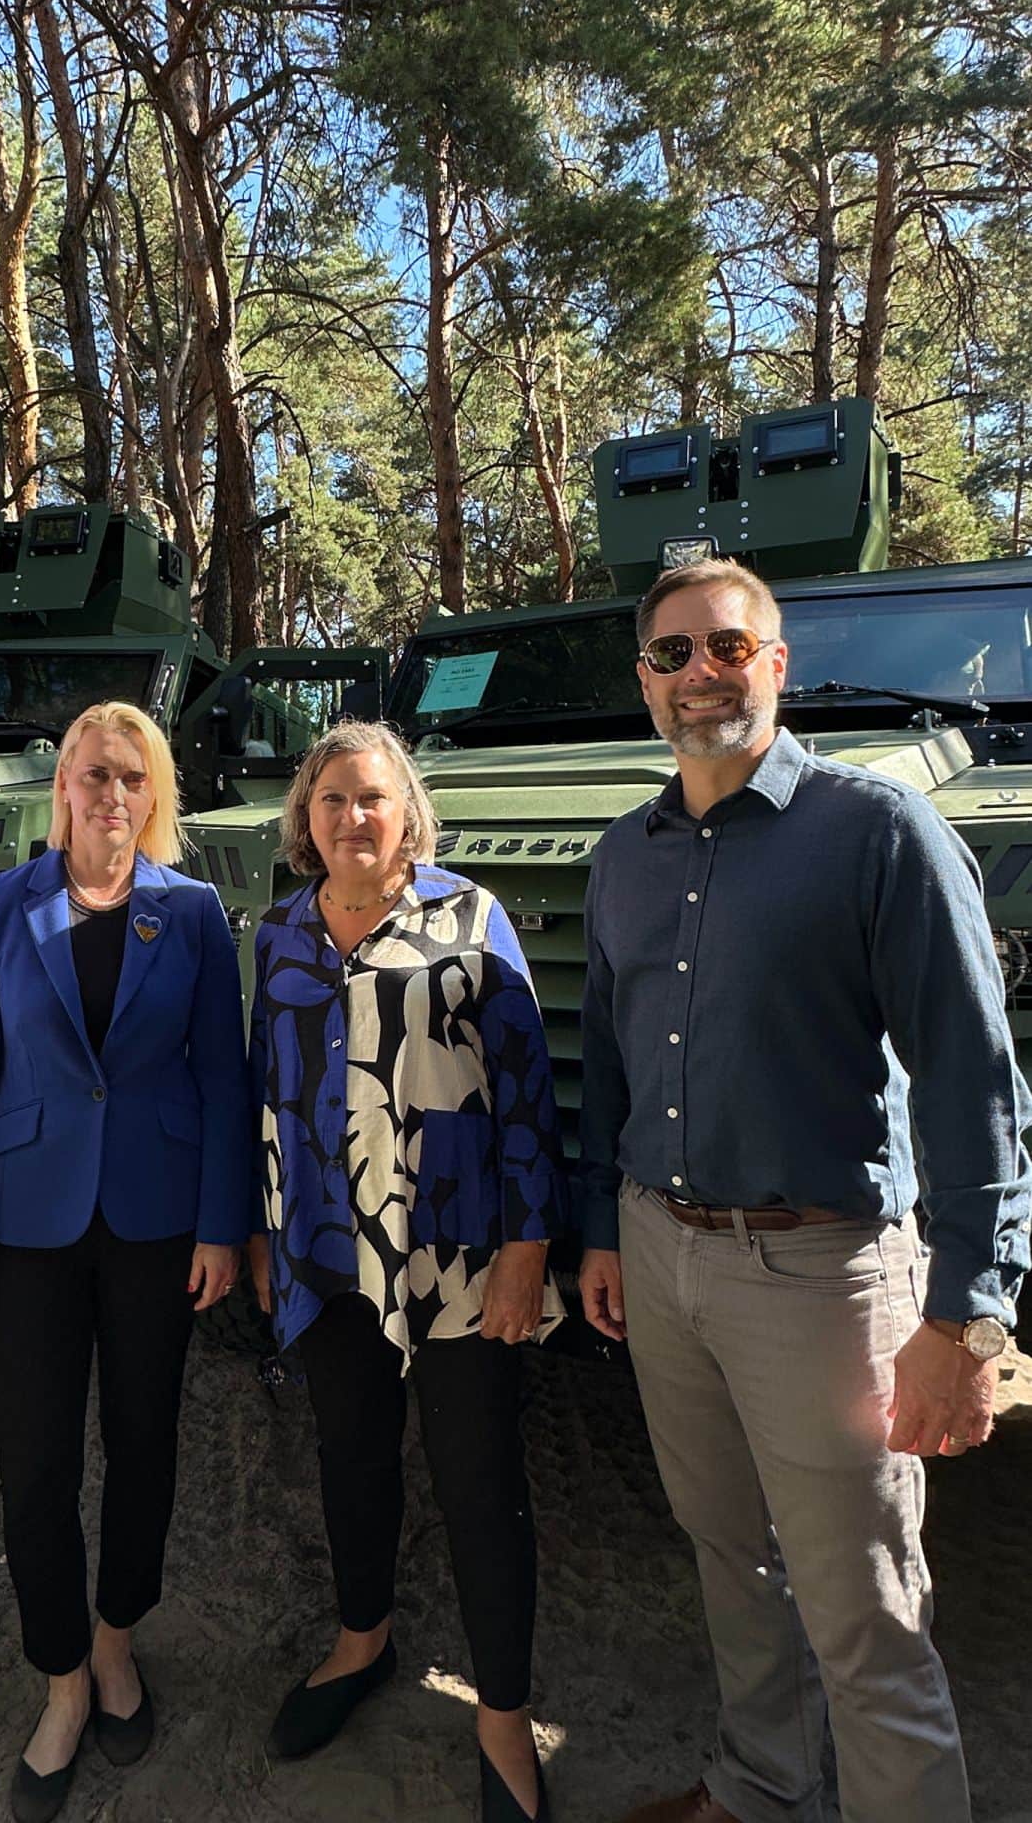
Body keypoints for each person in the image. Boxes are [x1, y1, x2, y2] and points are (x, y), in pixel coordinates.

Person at [577, 557, 1031, 1823]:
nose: (700, 673)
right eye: (672, 653)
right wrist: (602, 1229)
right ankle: (764, 1787)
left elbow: (974, 1079)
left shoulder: (878, 833)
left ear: (776, 662)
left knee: (866, 1607)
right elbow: (610, 1059)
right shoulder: (623, 857)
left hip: (824, 1275)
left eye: (728, 645)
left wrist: (966, 1313)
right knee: (732, 1554)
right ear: (645, 682)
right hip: (660, 1249)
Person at [0, 701, 250, 1823]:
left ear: (153, 794)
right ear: (62, 786)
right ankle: (63, 1675)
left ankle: (118, 1638)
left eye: (133, 775)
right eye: (94, 773)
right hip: (27, 1224)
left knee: (145, 1442)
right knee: (34, 1462)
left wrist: (222, 1223)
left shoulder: (193, 912)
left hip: (157, 1220)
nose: (112, 793)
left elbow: (224, 1076)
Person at [247, 720, 567, 1823]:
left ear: (408, 813)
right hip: (326, 1246)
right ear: (307, 815)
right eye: (332, 798)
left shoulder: (470, 916)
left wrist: (528, 1246)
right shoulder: (280, 931)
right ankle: (362, 1639)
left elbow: (526, 1089)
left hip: (459, 1247)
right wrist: (262, 1232)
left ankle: (503, 1714)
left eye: (373, 797)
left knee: (480, 1478)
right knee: (350, 1455)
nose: (353, 816)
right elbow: (264, 1085)